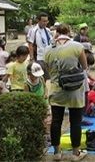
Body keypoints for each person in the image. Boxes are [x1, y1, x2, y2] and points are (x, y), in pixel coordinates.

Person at [44, 25, 89, 161]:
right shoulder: (77, 46)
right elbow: (84, 66)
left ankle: (57, 152)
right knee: (75, 121)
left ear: (56, 33)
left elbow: (48, 70)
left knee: (56, 121)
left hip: (56, 89)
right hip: (74, 89)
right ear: (69, 33)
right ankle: (75, 154)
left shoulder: (48, 50)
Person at [27, 12, 52, 81]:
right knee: (41, 77)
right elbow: (30, 44)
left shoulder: (47, 30)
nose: (45, 23)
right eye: (43, 21)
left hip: (48, 57)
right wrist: (32, 58)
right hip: (39, 57)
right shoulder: (33, 30)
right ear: (39, 21)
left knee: (49, 78)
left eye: (46, 21)